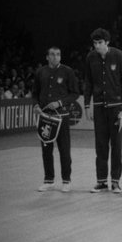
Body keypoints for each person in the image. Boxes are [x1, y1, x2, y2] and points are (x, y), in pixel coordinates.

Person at [84, 28, 122, 193]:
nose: (97, 46)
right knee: (100, 145)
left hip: (117, 109)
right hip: (98, 108)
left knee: (117, 145)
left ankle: (116, 182)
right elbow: (88, 83)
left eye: (100, 43)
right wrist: (86, 105)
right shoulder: (90, 57)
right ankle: (102, 181)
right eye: (95, 43)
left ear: (107, 43)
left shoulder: (118, 56)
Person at [33, 46, 80, 192]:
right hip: (45, 116)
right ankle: (49, 180)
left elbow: (75, 93)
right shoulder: (40, 72)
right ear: (47, 57)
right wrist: (35, 105)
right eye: (52, 54)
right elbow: (35, 93)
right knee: (46, 149)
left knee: (64, 149)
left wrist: (60, 103)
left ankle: (66, 180)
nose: (55, 57)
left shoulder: (67, 71)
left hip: (62, 117)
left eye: (58, 54)